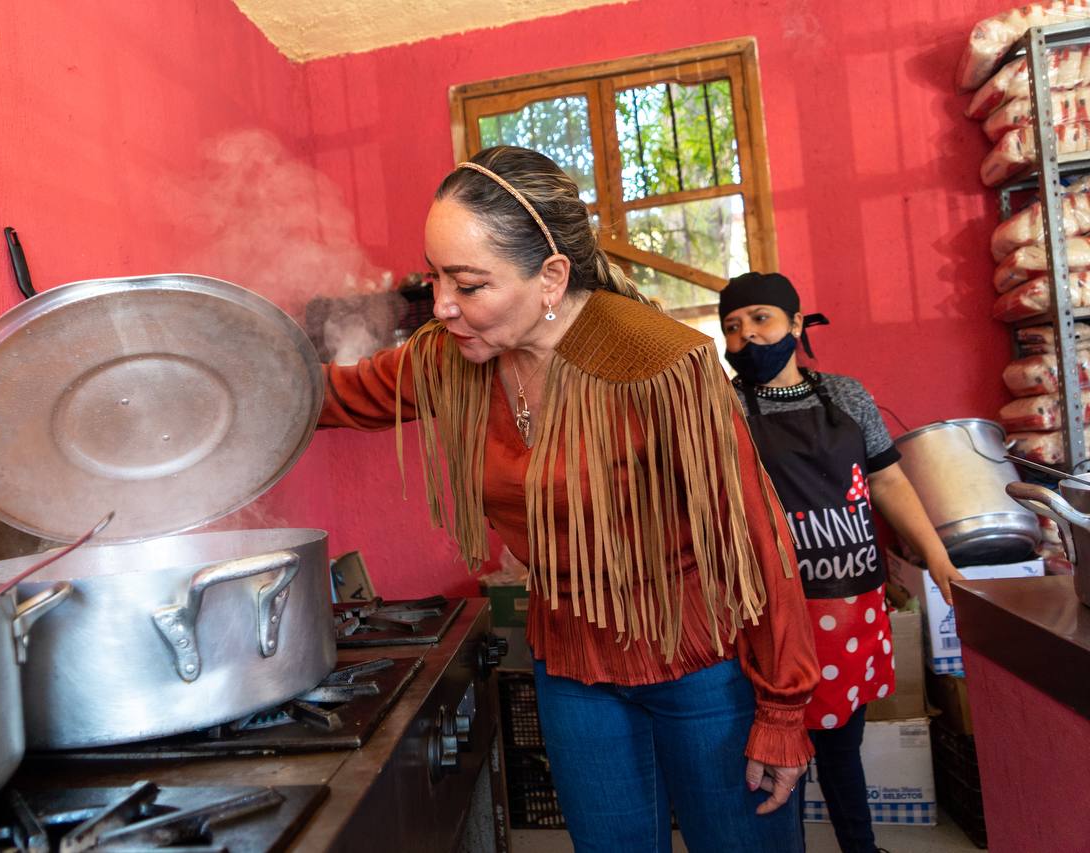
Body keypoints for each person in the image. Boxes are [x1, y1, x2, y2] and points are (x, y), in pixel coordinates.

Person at [317, 146, 819, 852]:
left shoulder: (659, 365)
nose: (442, 306)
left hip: (700, 659)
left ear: (551, 276)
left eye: (467, 283)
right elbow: (337, 394)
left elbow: (757, 535)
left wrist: (783, 706)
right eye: (435, 279)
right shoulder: (452, 355)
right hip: (573, 664)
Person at [718, 272, 965, 853]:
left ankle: (860, 847)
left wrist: (938, 558)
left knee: (840, 746)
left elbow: (888, 480)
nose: (748, 337)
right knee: (774, 749)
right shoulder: (722, 407)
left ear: (796, 323)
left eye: (761, 318)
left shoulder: (846, 395)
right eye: (732, 327)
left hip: (852, 607)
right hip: (772, 614)